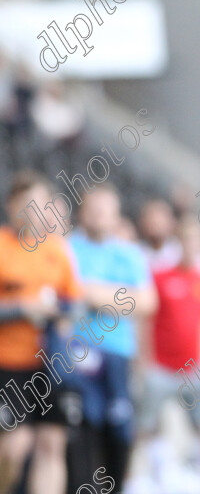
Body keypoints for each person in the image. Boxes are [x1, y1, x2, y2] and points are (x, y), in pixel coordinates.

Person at [66, 184, 157, 494]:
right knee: (80, 429)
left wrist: (95, 293)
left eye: (106, 210)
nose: (100, 215)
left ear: (116, 215)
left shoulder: (129, 254)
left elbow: (147, 302)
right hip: (78, 352)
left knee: (119, 432)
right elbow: (69, 294)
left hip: (118, 355)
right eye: (94, 209)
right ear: (82, 212)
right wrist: (120, 298)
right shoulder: (67, 249)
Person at [0, 171, 83, 494]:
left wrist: (60, 314)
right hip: (10, 364)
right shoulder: (3, 246)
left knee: (51, 445)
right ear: (12, 206)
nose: (33, 211)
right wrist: (23, 308)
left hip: (50, 366)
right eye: (26, 203)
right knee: (13, 449)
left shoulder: (57, 251)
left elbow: (74, 304)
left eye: (39, 204)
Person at [137, 218, 200, 494]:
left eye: (196, 240)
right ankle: (138, 481)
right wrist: (144, 361)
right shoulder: (159, 276)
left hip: (195, 370)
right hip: (161, 368)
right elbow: (145, 320)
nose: (191, 246)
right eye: (186, 239)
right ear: (178, 243)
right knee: (146, 428)